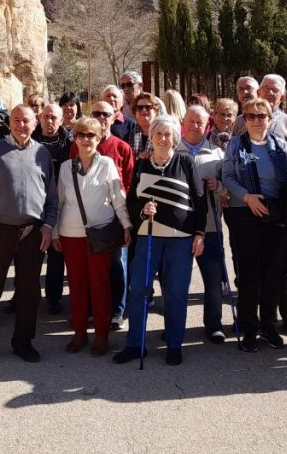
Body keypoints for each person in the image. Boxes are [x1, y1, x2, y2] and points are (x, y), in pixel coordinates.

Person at [0, 105, 58, 365]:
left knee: (29, 291)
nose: (21, 125)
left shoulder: (42, 153)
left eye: (26, 121)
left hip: (33, 232)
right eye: (16, 120)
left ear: (35, 123)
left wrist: (49, 227)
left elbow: (51, 197)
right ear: (10, 123)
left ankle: (23, 342)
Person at [114, 114, 206, 366]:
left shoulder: (186, 161)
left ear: (175, 137)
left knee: (176, 293)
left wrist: (200, 234)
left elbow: (199, 200)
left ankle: (174, 345)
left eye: (168, 134)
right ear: (151, 137)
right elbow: (132, 200)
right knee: (139, 289)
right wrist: (143, 210)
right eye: (158, 134)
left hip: (180, 239)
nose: (163, 138)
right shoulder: (143, 164)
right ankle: (135, 344)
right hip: (148, 237)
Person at [221, 97, 287, 352]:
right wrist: (247, 197)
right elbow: (227, 176)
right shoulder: (235, 145)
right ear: (244, 119)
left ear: (270, 118)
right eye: (250, 116)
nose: (255, 121)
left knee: (273, 276)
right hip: (245, 214)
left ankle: (269, 327)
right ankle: (249, 328)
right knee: (250, 276)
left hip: (274, 216)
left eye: (261, 116)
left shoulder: (280, 145)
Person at [56, 116, 131, 357]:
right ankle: (79, 332)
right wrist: (56, 231)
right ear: (75, 138)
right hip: (71, 235)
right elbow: (58, 202)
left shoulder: (107, 164)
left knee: (100, 285)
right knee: (77, 286)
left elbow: (118, 198)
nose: (86, 139)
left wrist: (127, 226)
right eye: (81, 135)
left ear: (99, 138)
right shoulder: (66, 168)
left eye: (91, 135)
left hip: (100, 235)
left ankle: (101, 334)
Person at [74, 101, 134, 330]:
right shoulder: (78, 146)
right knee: (92, 269)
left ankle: (117, 311)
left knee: (118, 265)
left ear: (114, 116)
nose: (101, 117)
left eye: (105, 114)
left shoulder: (122, 147)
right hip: (86, 221)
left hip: (114, 218)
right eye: (96, 113)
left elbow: (127, 182)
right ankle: (92, 310)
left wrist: (125, 220)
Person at [176, 105, 227, 343]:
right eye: (191, 121)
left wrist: (219, 187)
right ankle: (174, 325)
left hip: (209, 226)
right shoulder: (171, 151)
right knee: (175, 281)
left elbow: (229, 191)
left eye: (200, 122)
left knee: (213, 278)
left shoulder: (217, 154)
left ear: (207, 125)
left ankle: (214, 324)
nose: (195, 126)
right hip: (178, 228)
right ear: (183, 122)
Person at [34, 104, 73, 314]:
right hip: (34, 203)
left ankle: (53, 298)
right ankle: (22, 295)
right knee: (31, 255)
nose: (50, 122)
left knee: (57, 254)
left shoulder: (69, 142)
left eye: (54, 118)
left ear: (61, 120)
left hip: (61, 201)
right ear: (40, 118)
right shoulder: (30, 139)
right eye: (46, 117)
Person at [231, 74, 287, 154]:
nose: (270, 93)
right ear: (258, 92)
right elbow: (232, 153)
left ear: (282, 98)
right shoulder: (240, 121)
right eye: (266, 89)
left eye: (275, 90)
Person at [126, 92, 162, 159]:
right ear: (135, 112)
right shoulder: (128, 134)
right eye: (139, 108)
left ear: (156, 111)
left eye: (148, 107)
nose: (144, 110)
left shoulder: (164, 133)